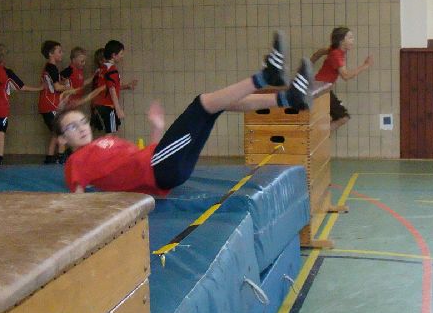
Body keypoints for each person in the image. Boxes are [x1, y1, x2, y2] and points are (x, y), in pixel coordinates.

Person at [56, 33, 310, 196]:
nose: (82, 127)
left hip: (163, 166)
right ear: (62, 140)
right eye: (72, 127)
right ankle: (266, 76)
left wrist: (157, 127)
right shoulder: (75, 163)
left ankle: (288, 98)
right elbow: (78, 202)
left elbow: (137, 163)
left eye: (82, 121)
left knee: (216, 104)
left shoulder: (105, 142)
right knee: (202, 103)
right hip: (160, 169)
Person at [310, 26, 373, 131]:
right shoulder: (336, 55)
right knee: (343, 118)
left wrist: (308, 64)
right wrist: (365, 65)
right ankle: (316, 133)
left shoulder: (334, 50)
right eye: (350, 37)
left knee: (342, 117)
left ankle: (317, 133)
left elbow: (319, 52)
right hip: (320, 90)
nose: (353, 40)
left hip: (321, 88)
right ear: (342, 41)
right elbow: (346, 76)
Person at [90, 39, 137, 133]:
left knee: (110, 133)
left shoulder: (102, 68)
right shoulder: (112, 70)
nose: (122, 56)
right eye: (121, 54)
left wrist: (127, 86)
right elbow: (112, 90)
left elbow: (109, 87)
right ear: (114, 55)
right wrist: (118, 109)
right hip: (108, 106)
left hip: (99, 105)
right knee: (110, 135)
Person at [38, 40, 74, 164]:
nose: (62, 54)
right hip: (50, 105)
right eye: (59, 51)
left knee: (55, 133)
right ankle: (61, 158)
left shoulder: (50, 68)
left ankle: (49, 158)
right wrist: (69, 88)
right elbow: (57, 87)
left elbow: (53, 85)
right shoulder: (51, 68)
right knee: (62, 133)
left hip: (47, 104)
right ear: (50, 54)